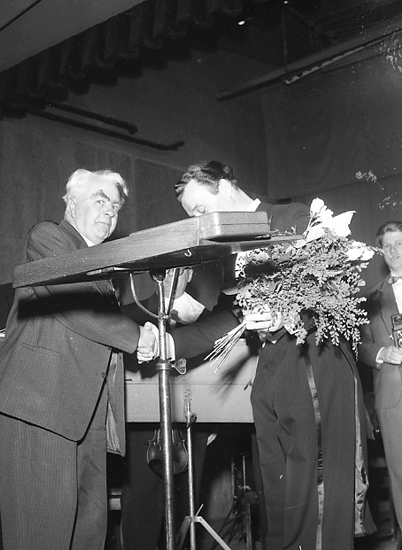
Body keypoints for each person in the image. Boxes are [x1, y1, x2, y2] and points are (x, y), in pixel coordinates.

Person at [165, 161, 374, 549]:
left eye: (200, 209)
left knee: (316, 497)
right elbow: (230, 315)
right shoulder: (227, 245)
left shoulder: (292, 218)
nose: (199, 221)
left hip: (314, 363)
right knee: (279, 498)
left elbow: (338, 287)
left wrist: (288, 313)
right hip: (273, 371)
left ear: (226, 186)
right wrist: (169, 344)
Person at [0, 168, 156, 550]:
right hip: (41, 408)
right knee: (41, 537)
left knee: (88, 534)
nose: (110, 211)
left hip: (86, 417)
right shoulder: (48, 236)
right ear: (72, 201)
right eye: (101, 199)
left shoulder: (99, 266)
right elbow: (75, 306)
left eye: (116, 206)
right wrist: (137, 337)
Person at [119, 267, 213, 550]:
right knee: (141, 517)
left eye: (180, 271)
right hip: (141, 434)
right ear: (155, 276)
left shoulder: (209, 319)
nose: (172, 277)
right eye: (166, 270)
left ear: (190, 275)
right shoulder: (127, 316)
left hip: (190, 432)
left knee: (185, 516)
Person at [359, 221, 402, 537]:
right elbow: (358, 346)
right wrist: (382, 353)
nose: (394, 251)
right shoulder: (371, 298)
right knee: (400, 474)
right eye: (387, 246)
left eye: (399, 243)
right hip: (392, 399)